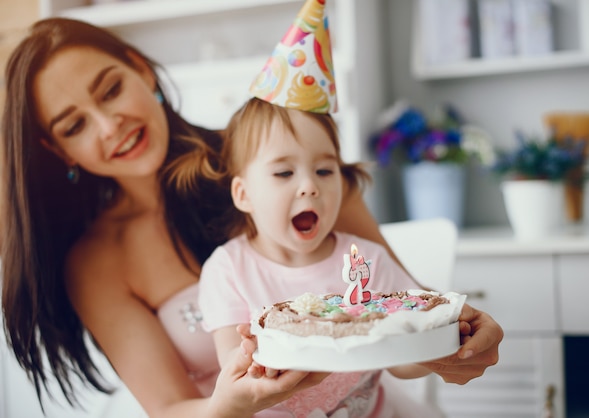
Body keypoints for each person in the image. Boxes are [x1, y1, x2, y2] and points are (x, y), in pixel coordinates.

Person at [0, 14, 502, 418]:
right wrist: (227, 408)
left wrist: (456, 346)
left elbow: (402, 324)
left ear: (141, 69)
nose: (111, 126)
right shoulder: (97, 261)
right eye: (75, 125)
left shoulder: (296, 166)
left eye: (111, 90)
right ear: (57, 149)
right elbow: (171, 408)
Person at [199, 96, 462, 418]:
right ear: (243, 194)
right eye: (283, 173)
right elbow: (236, 368)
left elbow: (402, 365)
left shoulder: (367, 260)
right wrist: (258, 359)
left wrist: (431, 342)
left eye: (324, 170)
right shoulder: (228, 269)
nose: (309, 186)